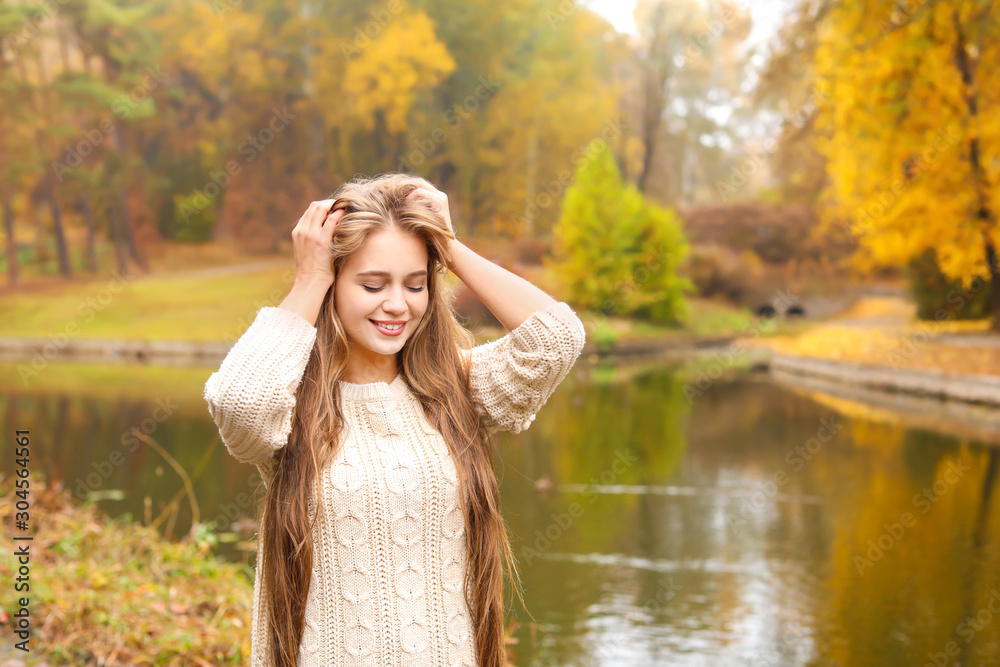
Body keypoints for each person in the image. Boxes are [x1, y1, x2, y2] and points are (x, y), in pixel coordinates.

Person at [203, 173, 586, 667]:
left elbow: (557, 338)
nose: (397, 305)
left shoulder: (456, 389)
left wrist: (448, 246)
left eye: (415, 284)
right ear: (334, 284)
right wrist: (309, 280)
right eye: (372, 284)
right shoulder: (293, 404)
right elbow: (239, 404)